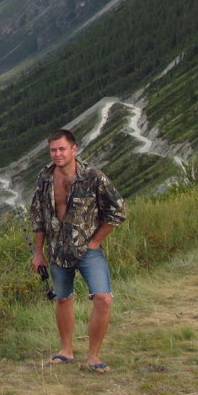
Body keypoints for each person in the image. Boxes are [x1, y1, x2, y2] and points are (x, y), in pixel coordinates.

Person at [30, 128, 126, 373]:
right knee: (62, 299)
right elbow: (38, 218)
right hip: (56, 251)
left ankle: (94, 356)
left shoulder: (93, 177)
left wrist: (95, 241)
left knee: (103, 298)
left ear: (74, 149)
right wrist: (38, 253)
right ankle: (66, 351)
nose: (57, 154)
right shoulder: (44, 178)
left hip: (87, 250)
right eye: (53, 150)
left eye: (62, 149)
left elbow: (118, 211)